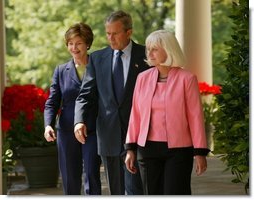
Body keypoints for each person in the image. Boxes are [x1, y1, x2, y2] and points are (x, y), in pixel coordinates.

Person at [124, 30, 210, 195]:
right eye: (148, 49)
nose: (149, 53)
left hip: (178, 151)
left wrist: (200, 152)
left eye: (155, 49)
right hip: (146, 149)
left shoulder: (187, 79)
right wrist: (130, 149)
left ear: (169, 49)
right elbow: (135, 115)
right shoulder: (142, 78)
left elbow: (195, 117)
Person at [74, 10, 149, 195]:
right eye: (108, 33)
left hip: (138, 137)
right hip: (108, 136)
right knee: (115, 192)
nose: (110, 38)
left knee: (135, 191)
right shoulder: (98, 59)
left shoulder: (146, 55)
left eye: (115, 33)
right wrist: (79, 120)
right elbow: (85, 95)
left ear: (129, 32)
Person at [43, 22, 101, 195]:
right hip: (67, 131)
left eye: (78, 43)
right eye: (70, 43)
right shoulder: (61, 71)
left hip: (93, 130)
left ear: (88, 44)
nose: (74, 48)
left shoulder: (98, 67)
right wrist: (48, 124)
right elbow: (52, 101)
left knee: (91, 174)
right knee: (69, 178)